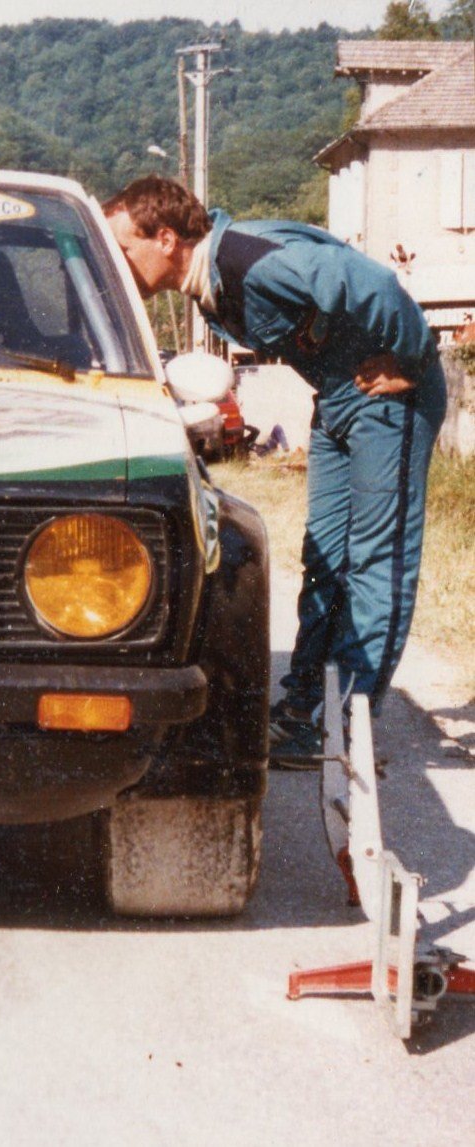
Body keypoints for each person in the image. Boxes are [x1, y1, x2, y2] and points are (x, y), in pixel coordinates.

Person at [102, 175, 447, 763]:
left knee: (376, 562)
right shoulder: (211, 279)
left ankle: (348, 730)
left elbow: (374, 285)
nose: (118, 262)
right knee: (326, 559)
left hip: (388, 398)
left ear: (165, 238)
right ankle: (304, 711)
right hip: (339, 397)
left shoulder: (252, 262)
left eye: (123, 247)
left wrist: (411, 360)